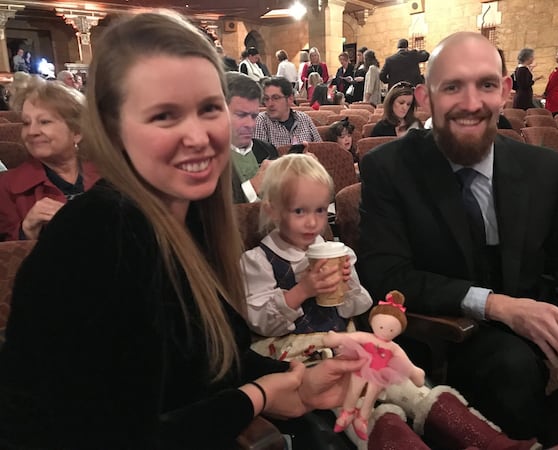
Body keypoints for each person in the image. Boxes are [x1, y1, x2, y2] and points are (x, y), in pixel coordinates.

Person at [0, 11, 366, 450]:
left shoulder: (191, 216)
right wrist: (258, 397)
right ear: (113, 127)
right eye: (165, 115)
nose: (198, 135)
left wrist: (303, 375)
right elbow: (102, 435)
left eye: (209, 108)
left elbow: (214, 360)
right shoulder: (95, 234)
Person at [358, 31, 558, 443]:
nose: (471, 103)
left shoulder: (549, 170)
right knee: (511, 365)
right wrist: (496, 305)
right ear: (424, 97)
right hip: (453, 331)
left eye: (486, 85)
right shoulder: (388, 169)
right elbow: (387, 274)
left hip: (546, 316)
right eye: (452, 86)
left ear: (505, 91)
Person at [241, 153, 372, 347]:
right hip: (293, 355)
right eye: (299, 211)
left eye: (320, 210)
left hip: (339, 342)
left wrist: (346, 283)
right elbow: (260, 324)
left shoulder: (335, 253)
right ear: (273, 211)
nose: (312, 222)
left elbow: (352, 309)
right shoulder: (259, 261)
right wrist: (303, 290)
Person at [0, 76, 99, 242]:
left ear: (77, 132)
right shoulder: (6, 187)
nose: (31, 132)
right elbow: (7, 261)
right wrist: (26, 231)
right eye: (25, 123)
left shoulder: (111, 175)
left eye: (44, 122)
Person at [324, 291, 425, 440]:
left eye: (391, 330)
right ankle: (348, 412)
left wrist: (414, 372)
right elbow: (352, 337)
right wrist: (337, 338)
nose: (385, 331)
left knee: (372, 394)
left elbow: (405, 361)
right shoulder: (366, 337)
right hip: (360, 367)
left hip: (380, 373)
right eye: (382, 327)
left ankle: (362, 418)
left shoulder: (394, 347)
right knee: (354, 389)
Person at [226, 72, 278, 204]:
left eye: (254, 116)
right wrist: (252, 188)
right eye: (241, 115)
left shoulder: (267, 150)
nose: (251, 124)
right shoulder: (205, 160)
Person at [254, 76, 322, 147]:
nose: (270, 104)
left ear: (290, 99)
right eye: (266, 99)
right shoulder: (260, 121)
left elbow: (319, 149)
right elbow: (260, 156)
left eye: (276, 98)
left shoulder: (304, 119)